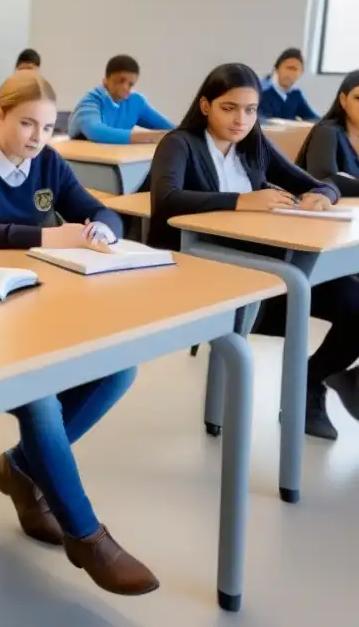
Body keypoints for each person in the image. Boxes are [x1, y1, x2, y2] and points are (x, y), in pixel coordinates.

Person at [0, 70, 156, 595]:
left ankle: (19, 468)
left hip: (41, 301)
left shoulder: (49, 161)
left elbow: (95, 208)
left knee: (119, 368)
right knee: (40, 399)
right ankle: (87, 535)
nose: (39, 136)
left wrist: (104, 228)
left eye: (47, 126)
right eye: (28, 123)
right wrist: (46, 234)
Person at [148, 63, 359, 440]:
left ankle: (311, 383)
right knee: (309, 288)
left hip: (267, 264)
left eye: (250, 110)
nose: (241, 120)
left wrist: (322, 195)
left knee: (357, 305)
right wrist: (242, 200)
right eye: (229, 108)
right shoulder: (180, 144)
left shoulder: (253, 143)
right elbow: (166, 201)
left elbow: (317, 182)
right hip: (209, 268)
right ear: (205, 106)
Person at [69, 55, 173, 144]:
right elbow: (96, 132)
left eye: (130, 84)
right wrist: (150, 137)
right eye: (120, 81)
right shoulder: (90, 102)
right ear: (106, 80)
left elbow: (170, 129)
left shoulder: (136, 103)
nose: (125, 87)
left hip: (118, 159)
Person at [296, 71, 359, 195]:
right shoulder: (326, 132)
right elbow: (324, 182)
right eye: (358, 98)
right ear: (343, 100)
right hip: (316, 210)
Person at [259, 48, 320, 122]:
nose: (291, 73)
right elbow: (259, 120)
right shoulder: (260, 90)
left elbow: (312, 117)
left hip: (289, 132)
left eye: (295, 69)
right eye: (289, 68)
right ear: (277, 69)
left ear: (301, 73)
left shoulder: (295, 94)